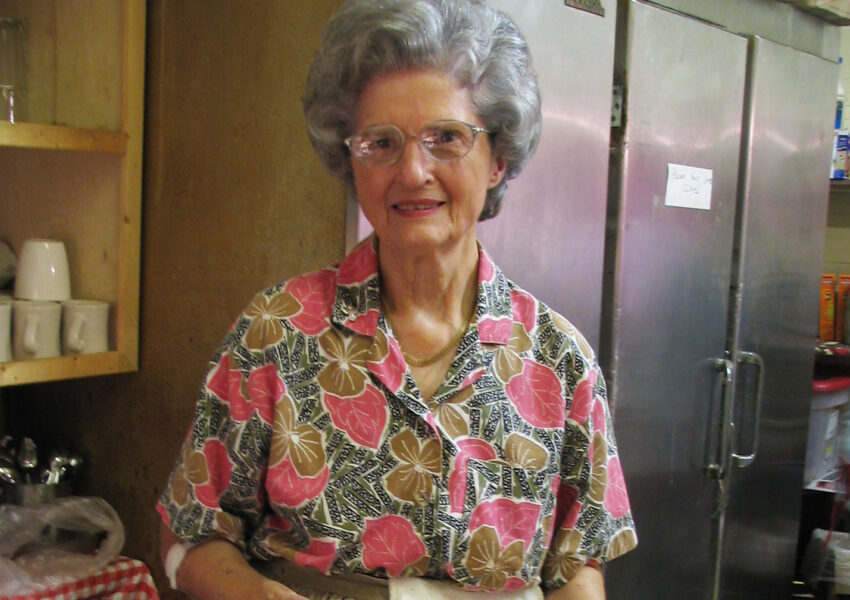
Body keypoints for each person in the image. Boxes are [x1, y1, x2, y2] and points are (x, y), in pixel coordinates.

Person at [157, 1, 637, 599]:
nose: (412, 171)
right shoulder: (277, 332)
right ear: (349, 160)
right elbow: (190, 531)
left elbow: (577, 564)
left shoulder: (560, 361)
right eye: (380, 142)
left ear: (498, 159)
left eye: (447, 138)